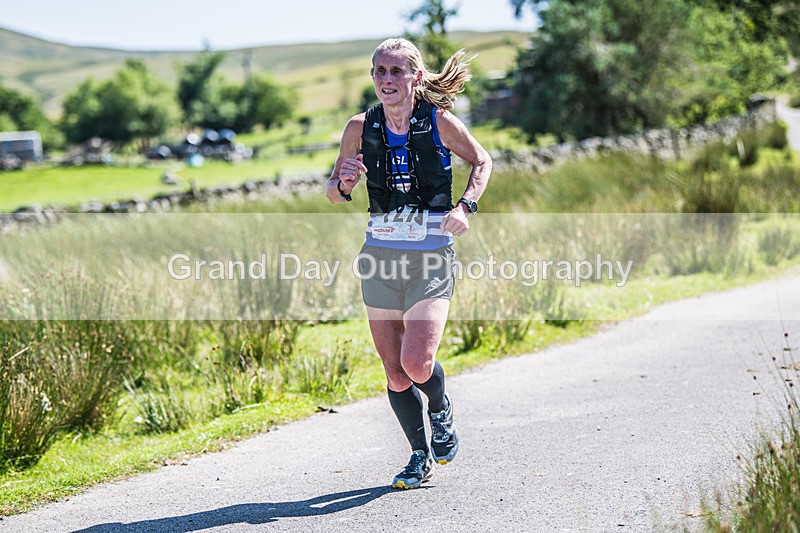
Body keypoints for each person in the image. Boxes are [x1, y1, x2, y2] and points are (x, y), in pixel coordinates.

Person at [326, 38, 492, 489]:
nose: (387, 79)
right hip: (380, 258)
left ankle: (440, 408)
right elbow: (334, 191)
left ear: (416, 77)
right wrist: (343, 184)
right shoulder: (359, 127)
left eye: (396, 71)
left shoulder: (439, 121)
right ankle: (419, 456)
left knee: (417, 363)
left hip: (430, 257)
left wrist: (465, 207)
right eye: (380, 71)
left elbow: (482, 160)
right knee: (395, 373)